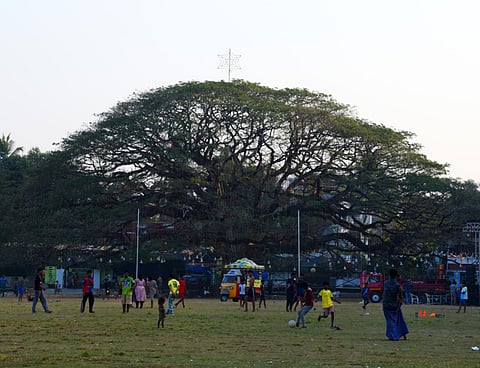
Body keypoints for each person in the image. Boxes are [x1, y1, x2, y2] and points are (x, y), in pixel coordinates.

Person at [382, 269, 409, 341]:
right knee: (399, 319)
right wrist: (401, 301)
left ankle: (393, 335)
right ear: (396, 276)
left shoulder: (386, 283)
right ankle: (402, 334)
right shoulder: (397, 285)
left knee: (390, 320)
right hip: (394, 305)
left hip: (386, 304)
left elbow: (384, 293)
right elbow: (400, 295)